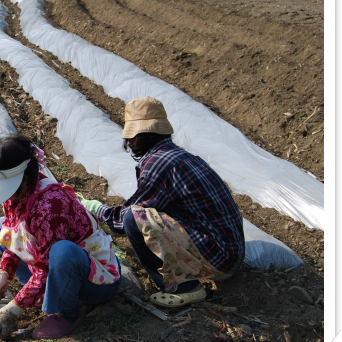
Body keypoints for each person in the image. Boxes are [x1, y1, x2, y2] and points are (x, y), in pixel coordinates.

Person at [81, 96, 245, 308]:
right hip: (230, 251)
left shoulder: (158, 163)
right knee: (142, 216)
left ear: (143, 136)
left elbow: (127, 218)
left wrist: (96, 209)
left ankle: (183, 288)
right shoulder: (178, 156)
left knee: (133, 219)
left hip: (219, 259)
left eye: (132, 138)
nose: (129, 144)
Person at [0, 134, 122, 340]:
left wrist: (14, 308)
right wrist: (3, 272)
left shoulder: (50, 206)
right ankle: (41, 294)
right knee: (0, 227)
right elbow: (13, 235)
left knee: (62, 251)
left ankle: (67, 313)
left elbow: (46, 266)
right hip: (56, 266)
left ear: (24, 179)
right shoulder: (16, 194)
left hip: (96, 280)